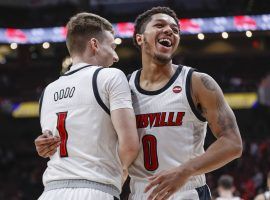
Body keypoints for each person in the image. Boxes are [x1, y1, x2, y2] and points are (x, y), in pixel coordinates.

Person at [35, 7, 243, 200]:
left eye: (175, 29)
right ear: (140, 38)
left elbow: (233, 143)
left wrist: (186, 170)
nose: (170, 31)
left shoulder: (196, 83)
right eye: (160, 25)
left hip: (187, 190)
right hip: (139, 192)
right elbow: (93, 133)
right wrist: (51, 141)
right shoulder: (121, 87)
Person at [36, 12, 139, 200]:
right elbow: (130, 145)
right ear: (94, 45)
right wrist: (120, 175)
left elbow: (48, 145)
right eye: (112, 46)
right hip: (95, 189)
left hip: (49, 192)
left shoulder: (48, 90)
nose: (116, 57)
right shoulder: (110, 76)